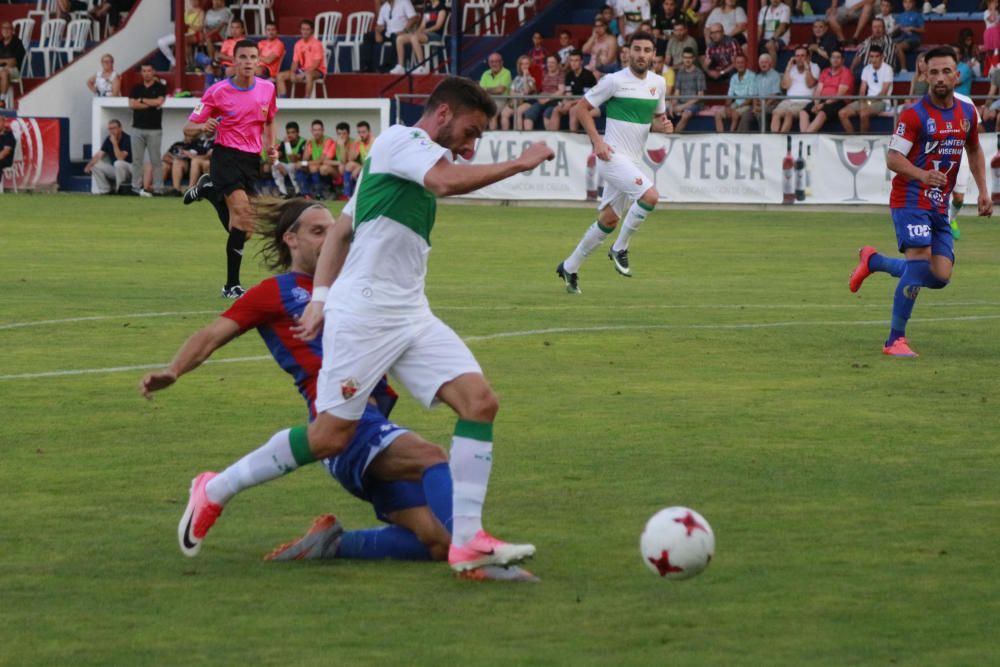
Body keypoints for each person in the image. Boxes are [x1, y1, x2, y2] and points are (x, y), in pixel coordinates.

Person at [174, 76, 554, 575]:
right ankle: (214, 489)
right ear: (442, 114)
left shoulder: (390, 162)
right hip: (367, 315)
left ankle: (467, 543)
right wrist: (521, 163)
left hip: (410, 312)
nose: (471, 144)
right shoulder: (405, 141)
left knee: (480, 402)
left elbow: (341, 234)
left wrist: (320, 299)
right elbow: (443, 182)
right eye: (471, 130)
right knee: (331, 435)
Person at [849, 46, 991, 357]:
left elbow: (975, 150)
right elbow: (893, 158)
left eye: (946, 71)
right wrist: (921, 175)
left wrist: (983, 191)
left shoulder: (967, 113)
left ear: (957, 75)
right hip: (910, 199)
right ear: (924, 74)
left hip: (939, 205)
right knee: (918, 260)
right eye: (934, 72)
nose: (940, 78)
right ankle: (894, 341)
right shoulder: (914, 115)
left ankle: (874, 261)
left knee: (939, 277)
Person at [556, 31, 670, 293]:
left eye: (647, 50)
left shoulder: (658, 84)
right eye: (637, 49)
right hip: (611, 156)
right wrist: (597, 142)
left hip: (633, 160)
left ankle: (569, 267)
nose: (642, 54)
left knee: (608, 220)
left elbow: (656, 120)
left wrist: (663, 125)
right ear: (627, 52)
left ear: (653, 55)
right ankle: (620, 248)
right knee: (650, 196)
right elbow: (581, 108)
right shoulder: (613, 81)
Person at [182, 39, 277, 299]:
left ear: (259, 61)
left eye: (252, 57)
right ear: (234, 61)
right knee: (243, 213)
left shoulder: (268, 89)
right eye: (243, 57)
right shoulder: (217, 91)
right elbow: (188, 129)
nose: (248, 62)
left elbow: (269, 121)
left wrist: (271, 147)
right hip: (225, 156)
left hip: (251, 160)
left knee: (244, 231)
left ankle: (209, 191)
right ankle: (231, 286)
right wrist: (203, 127)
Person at [127, 64, 166, 197]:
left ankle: (158, 188)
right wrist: (150, 104)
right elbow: (132, 104)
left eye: (149, 70)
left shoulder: (160, 87)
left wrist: (142, 101)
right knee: (137, 160)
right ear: (141, 73)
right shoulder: (136, 88)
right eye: (144, 71)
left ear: (153, 72)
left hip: (154, 129)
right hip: (137, 128)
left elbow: (159, 102)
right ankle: (135, 187)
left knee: (155, 160)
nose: (147, 73)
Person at [839, 44, 892, 133]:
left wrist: (867, 102)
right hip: (866, 100)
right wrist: (863, 102)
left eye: (877, 56)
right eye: (871, 56)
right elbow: (862, 90)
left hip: (882, 102)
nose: (874, 59)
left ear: (882, 57)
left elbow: (883, 93)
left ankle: (863, 140)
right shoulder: (866, 69)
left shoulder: (888, 69)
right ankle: (854, 139)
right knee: (842, 113)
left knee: (863, 113)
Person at [800, 50, 853, 132]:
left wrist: (822, 105)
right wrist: (816, 103)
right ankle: (805, 136)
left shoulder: (846, 72)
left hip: (838, 101)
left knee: (822, 113)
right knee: (803, 112)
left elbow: (839, 95)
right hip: (822, 100)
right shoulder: (825, 71)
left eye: (838, 57)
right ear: (830, 59)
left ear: (843, 60)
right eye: (833, 57)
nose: (835, 60)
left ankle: (806, 138)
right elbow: (818, 91)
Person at [546, 50, 597, 131]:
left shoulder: (588, 75)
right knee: (556, 109)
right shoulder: (569, 75)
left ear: (581, 62)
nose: (573, 63)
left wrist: (570, 103)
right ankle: (552, 136)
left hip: (589, 102)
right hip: (574, 102)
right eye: (571, 60)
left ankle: (573, 138)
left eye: (576, 60)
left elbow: (586, 97)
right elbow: (569, 94)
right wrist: (565, 102)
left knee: (573, 110)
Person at [771, 46, 818, 133]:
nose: (799, 58)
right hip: (788, 101)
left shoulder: (814, 67)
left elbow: (810, 84)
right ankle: (774, 138)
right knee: (776, 113)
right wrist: (788, 69)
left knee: (789, 114)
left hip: (804, 101)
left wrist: (807, 68)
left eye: (802, 56)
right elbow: (785, 86)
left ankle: (781, 139)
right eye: (797, 56)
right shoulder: (791, 68)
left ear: (808, 57)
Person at [395, 0, 447, 74]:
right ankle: (400, 66)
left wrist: (425, 31)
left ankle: (421, 66)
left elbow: (438, 26)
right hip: (425, 34)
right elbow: (422, 25)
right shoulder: (428, 8)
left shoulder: (442, 8)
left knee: (414, 38)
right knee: (399, 39)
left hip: (436, 35)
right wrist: (417, 32)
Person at [367, 0, 419, 74]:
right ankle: (368, 66)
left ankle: (391, 66)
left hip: (402, 32)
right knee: (368, 36)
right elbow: (380, 25)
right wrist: (377, 31)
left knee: (395, 37)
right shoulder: (384, 7)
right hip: (388, 32)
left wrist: (405, 30)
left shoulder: (404, 2)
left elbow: (414, 18)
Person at [277, 20, 326, 98]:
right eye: (303, 29)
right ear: (300, 30)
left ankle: (306, 100)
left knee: (309, 75)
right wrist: (293, 72)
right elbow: (295, 62)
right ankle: (284, 100)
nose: (305, 31)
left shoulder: (317, 44)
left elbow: (316, 64)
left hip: (317, 71)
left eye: (307, 29)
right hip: (302, 70)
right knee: (280, 76)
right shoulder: (298, 44)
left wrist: (304, 73)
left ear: (312, 31)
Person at [84, 119, 132, 194]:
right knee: (95, 165)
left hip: (129, 171)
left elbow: (121, 158)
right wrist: (88, 166)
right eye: (110, 129)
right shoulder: (108, 139)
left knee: (118, 163)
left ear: (120, 128)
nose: (112, 131)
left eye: (114, 128)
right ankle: (105, 190)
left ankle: (120, 190)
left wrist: (115, 143)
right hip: (116, 170)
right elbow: (99, 154)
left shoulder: (127, 139)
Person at [738, 52, 782, 132]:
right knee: (746, 115)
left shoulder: (775, 75)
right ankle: (742, 138)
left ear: (770, 63)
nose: (763, 64)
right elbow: (755, 95)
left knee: (761, 114)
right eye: (761, 62)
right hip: (759, 104)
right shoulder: (758, 77)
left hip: (772, 103)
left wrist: (763, 106)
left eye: (765, 62)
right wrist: (755, 106)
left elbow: (775, 95)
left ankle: (764, 138)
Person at [156, 0, 203, 71]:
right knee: (161, 42)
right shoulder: (186, 12)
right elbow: (179, 24)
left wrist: (189, 26)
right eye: (192, 0)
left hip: (193, 34)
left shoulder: (201, 12)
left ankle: (187, 63)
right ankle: (174, 62)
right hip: (182, 33)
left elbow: (200, 27)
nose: (193, 2)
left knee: (183, 39)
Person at [715, 52, 754, 131]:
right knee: (717, 114)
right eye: (738, 63)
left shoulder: (752, 76)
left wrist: (735, 108)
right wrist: (727, 107)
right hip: (735, 104)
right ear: (735, 65)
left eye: (742, 62)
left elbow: (750, 98)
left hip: (747, 105)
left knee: (735, 114)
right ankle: (721, 136)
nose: (740, 65)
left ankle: (731, 135)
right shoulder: (734, 77)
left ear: (746, 63)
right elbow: (730, 96)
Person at [671, 47, 706, 133]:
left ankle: (672, 137)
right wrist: (673, 104)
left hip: (695, 103)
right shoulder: (680, 72)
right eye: (685, 57)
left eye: (689, 58)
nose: (687, 60)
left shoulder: (699, 73)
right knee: (663, 110)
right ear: (682, 58)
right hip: (681, 102)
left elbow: (700, 96)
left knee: (685, 115)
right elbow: (677, 92)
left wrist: (683, 106)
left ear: (693, 59)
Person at [524, 55, 563, 130]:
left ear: (558, 64)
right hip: (541, 100)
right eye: (548, 62)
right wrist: (528, 79)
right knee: (529, 114)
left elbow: (561, 91)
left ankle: (550, 139)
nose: (549, 64)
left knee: (547, 114)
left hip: (554, 101)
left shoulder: (561, 75)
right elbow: (536, 89)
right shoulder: (544, 74)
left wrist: (548, 99)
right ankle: (529, 138)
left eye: (552, 62)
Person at [502, 55, 538, 130]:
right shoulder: (517, 78)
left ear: (530, 65)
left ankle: (519, 133)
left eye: (526, 64)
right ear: (520, 66)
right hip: (517, 100)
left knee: (518, 111)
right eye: (522, 64)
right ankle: (504, 134)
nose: (524, 66)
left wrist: (525, 76)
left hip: (529, 101)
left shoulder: (532, 78)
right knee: (504, 113)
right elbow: (511, 93)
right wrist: (520, 95)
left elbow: (527, 91)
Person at [479, 52, 512, 130]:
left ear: (501, 62)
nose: (494, 64)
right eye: (492, 62)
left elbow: (500, 90)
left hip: (501, 99)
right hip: (487, 99)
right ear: (489, 63)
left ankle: (492, 137)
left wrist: (486, 89)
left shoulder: (507, 72)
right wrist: (492, 89)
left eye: (496, 61)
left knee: (492, 113)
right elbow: (480, 90)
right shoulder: (485, 73)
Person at [272, 121, 305, 197]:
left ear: (298, 133)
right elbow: (276, 156)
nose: (290, 135)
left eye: (293, 132)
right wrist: (277, 163)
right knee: (274, 166)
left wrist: (287, 144)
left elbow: (293, 159)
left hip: (301, 166)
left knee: (291, 165)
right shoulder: (284, 143)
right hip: (289, 168)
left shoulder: (303, 142)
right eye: (288, 133)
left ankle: (298, 192)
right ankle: (283, 192)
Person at [0, 21, 26, 103]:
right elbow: (9, 61)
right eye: (4, 28)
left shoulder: (17, 42)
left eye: (8, 28)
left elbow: (13, 62)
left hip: (15, 74)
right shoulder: (0, 43)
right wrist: (6, 62)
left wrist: (2, 61)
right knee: (3, 72)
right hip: (1, 70)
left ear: (12, 30)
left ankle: (2, 101)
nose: (5, 30)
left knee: (4, 73)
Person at [758, 0, 791, 65]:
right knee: (747, 46)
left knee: (770, 45)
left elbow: (782, 27)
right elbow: (759, 29)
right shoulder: (764, 10)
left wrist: (772, 39)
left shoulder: (785, 8)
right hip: (765, 39)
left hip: (780, 39)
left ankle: (772, 72)